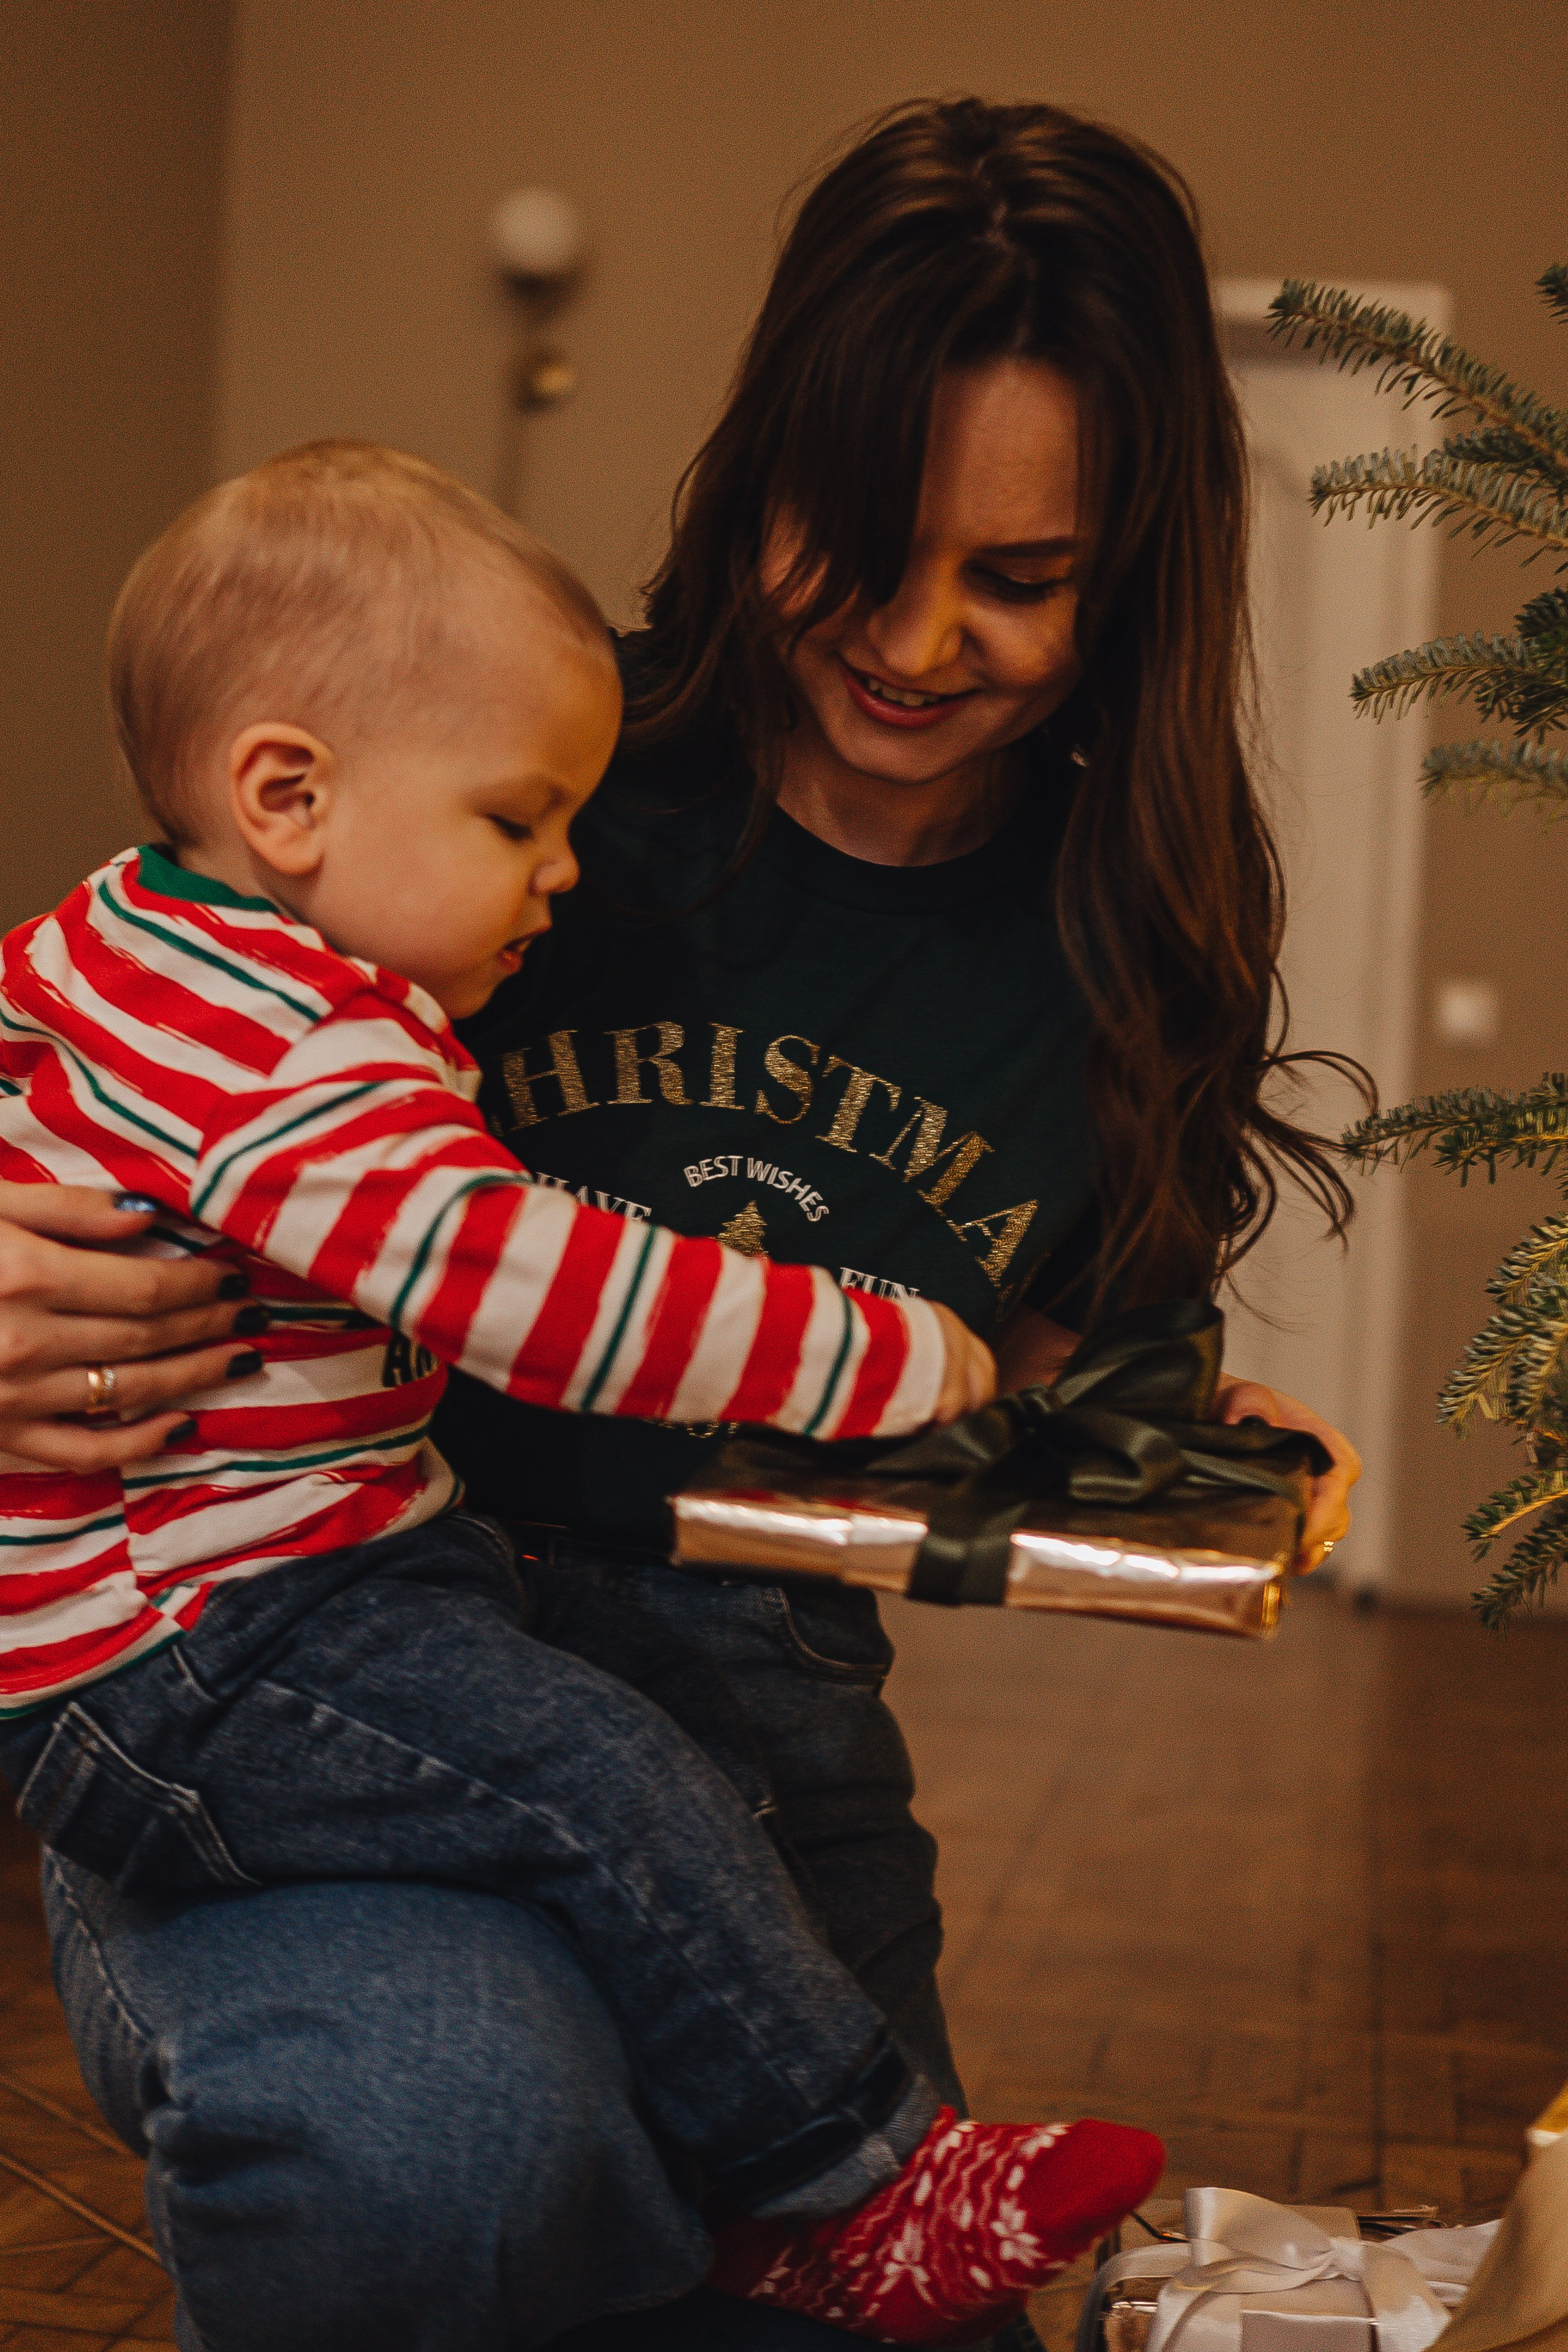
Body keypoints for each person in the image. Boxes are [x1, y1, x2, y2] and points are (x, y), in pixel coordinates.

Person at [0, 100, 1360, 2351]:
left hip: (749, 1719)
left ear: (1133, 577)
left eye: (1017, 578)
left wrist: (1159, 1429)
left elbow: (1057, 1362)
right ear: (765, 469)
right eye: (864, 535)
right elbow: (126, 1041)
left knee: (866, 2283)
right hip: (299, 1657)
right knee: (451, 2154)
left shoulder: (1120, 946)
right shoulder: (506, 753)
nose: (920, 640)